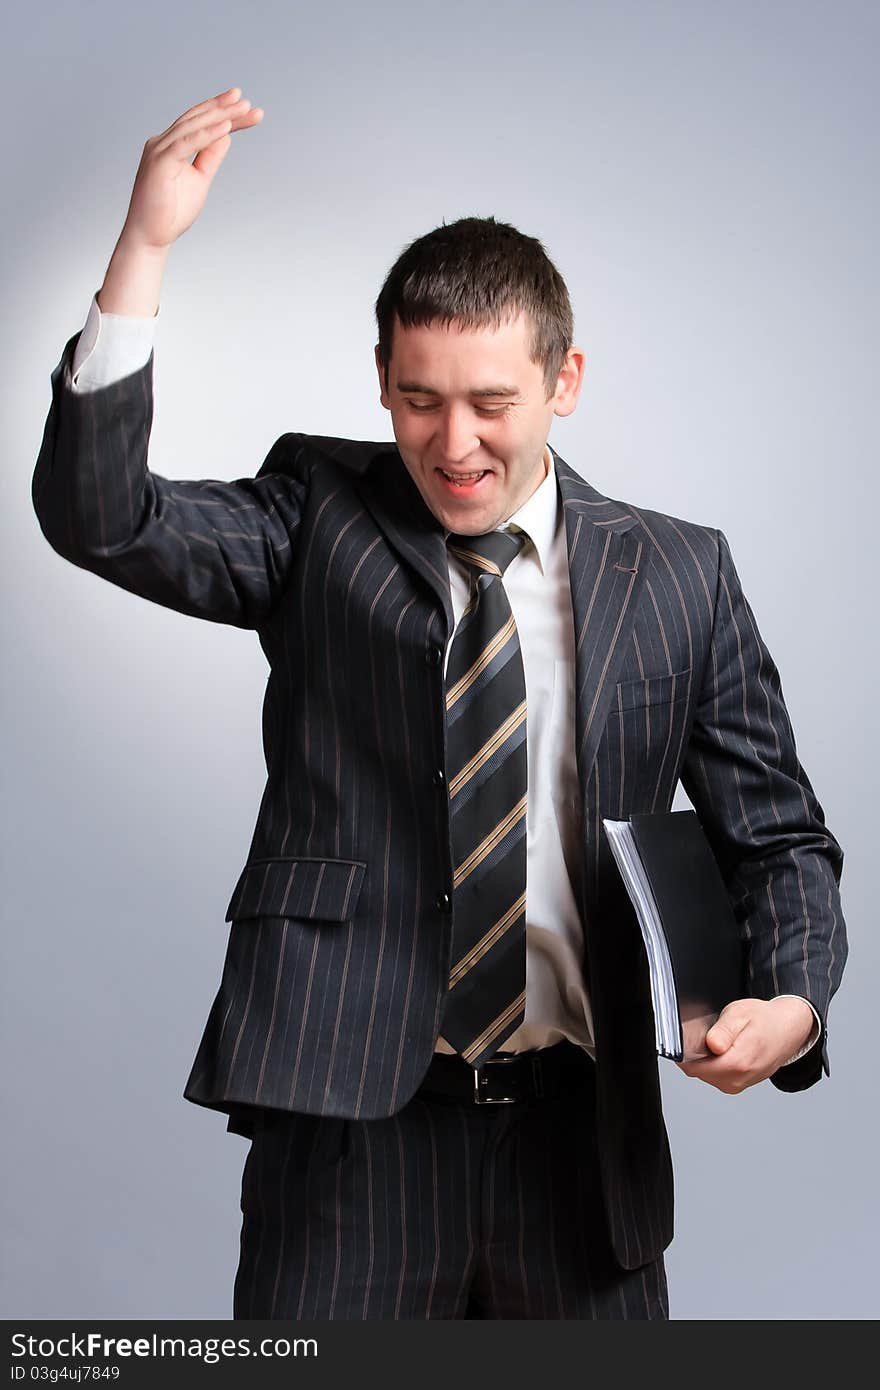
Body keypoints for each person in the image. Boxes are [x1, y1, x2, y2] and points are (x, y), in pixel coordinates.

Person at [32, 87, 848, 1321]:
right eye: (418, 399)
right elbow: (104, 518)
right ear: (380, 381)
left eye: (490, 403)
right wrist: (141, 254)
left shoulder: (678, 572)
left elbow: (778, 835)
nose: (453, 442)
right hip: (352, 1132)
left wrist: (790, 998)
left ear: (564, 378)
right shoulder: (318, 516)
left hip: (583, 1145)